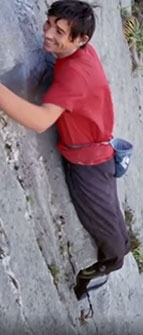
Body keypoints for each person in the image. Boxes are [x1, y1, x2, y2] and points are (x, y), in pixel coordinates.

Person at [0, 0, 130, 299]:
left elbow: (40, 120)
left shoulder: (73, 74)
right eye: (49, 24)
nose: (47, 33)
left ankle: (89, 275)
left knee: (116, 250)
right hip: (100, 155)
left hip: (88, 167)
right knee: (118, 236)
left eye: (59, 31)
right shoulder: (83, 53)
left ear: (80, 39)